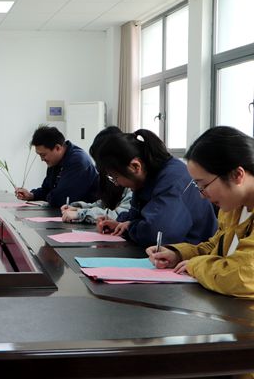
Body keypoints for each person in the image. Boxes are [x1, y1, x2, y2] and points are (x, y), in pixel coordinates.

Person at [147, 126, 254, 298]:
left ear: (236, 175)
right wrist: (178, 254)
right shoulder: (233, 207)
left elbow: (243, 276)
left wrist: (195, 266)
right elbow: (216, 247)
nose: (201, 195)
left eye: (204, 185)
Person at [94, 129, 217, 247]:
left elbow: (158, 235)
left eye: (115, 177)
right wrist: (119, 223)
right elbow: (136, 216)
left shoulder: (173, 179)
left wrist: (130, 227)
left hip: (194, 254)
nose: (116, 184)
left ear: (135, 166)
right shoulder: (146, 178)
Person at [61, 126, 132, 223]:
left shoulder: (131, 180)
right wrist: (79, 208)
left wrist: (81, 214)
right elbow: (105, 204)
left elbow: (121, 215)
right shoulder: (110, 177)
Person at [15, 126, 99, 208]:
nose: (42, 159)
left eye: (43, 155)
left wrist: (52, 195)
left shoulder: (78, 161)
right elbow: (47, 189)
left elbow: (61, 199)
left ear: (58, 148)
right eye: (39, 155)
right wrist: (31, 195)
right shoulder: (55, 161)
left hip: (87, 213)